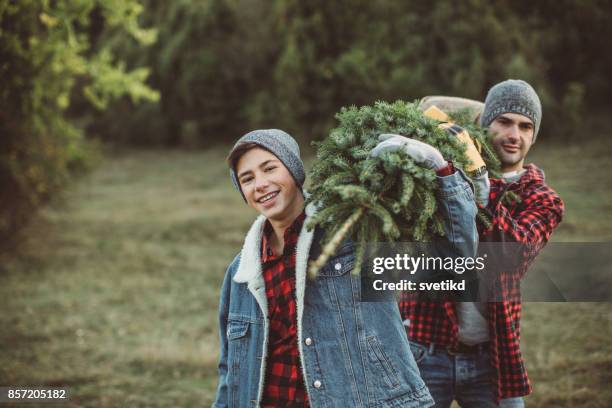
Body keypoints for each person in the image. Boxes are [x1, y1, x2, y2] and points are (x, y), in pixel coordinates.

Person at [213, 128, 478, 407]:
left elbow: (453, 259)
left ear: (294, 170)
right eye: (248, 179)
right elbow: (230, 371)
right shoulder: (241, 273)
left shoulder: (353, 233)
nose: (261, 183)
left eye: (270, 168)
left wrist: (440, 168)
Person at [400, 79, 565, 407]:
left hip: (492, 356)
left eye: (525, 126)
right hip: (423, 349)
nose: (513, 135)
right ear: (485, 124)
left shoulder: (542, 199)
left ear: (534, 135)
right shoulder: (442, 175)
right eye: (503, 122)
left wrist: (477, 179)